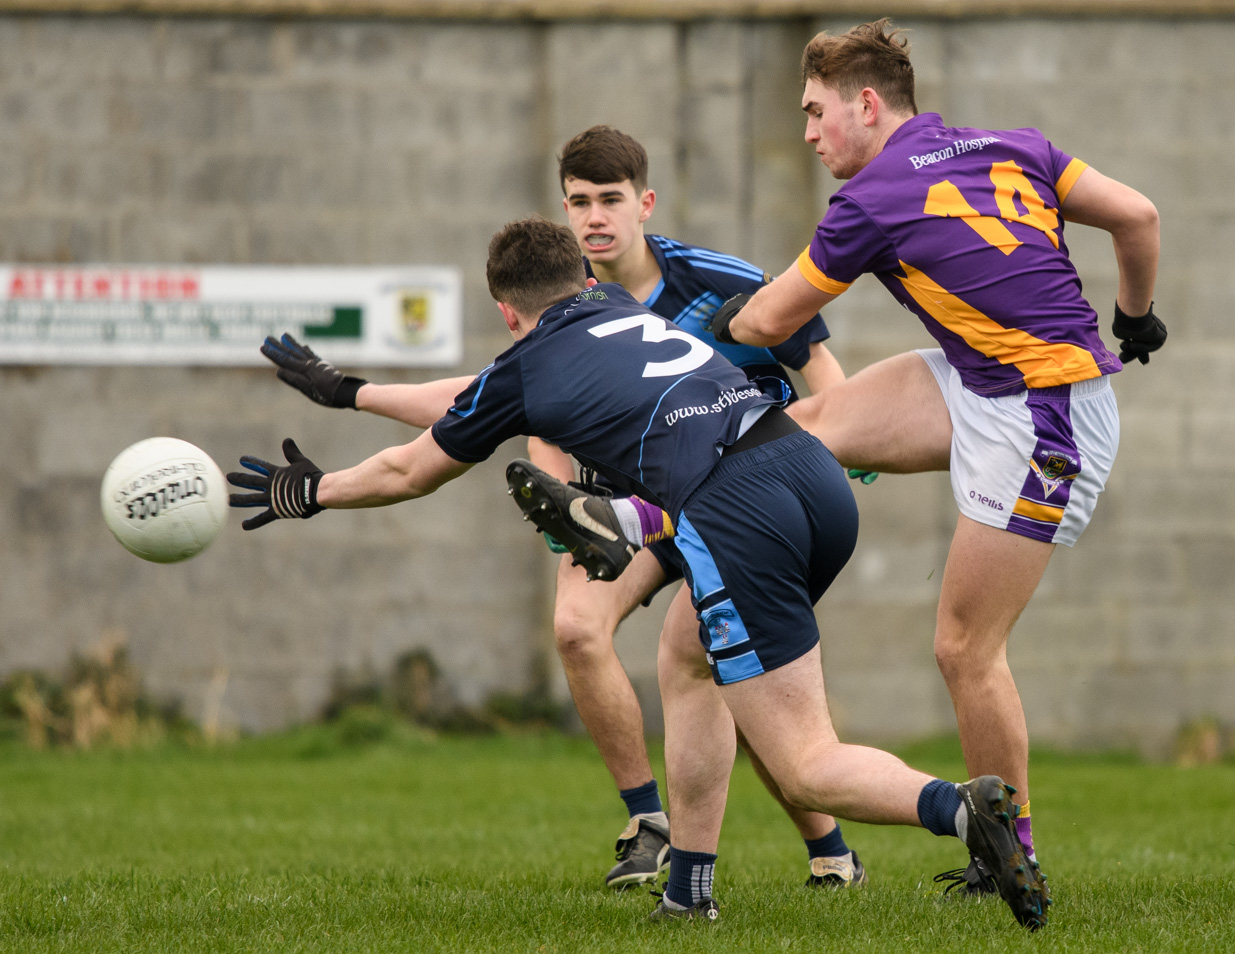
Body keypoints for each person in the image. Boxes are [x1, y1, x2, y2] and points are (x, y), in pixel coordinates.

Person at [228, 215, 1048, 929]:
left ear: (508, 314)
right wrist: (356, 392)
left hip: (734, 510)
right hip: (809, 472)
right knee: (685, 654)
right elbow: (480, 392)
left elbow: (414, 468)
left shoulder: (522, 367)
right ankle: (689, 890)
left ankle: (961, 807)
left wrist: (314, 491)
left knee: (802, 758)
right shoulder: (618, 306)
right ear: (582, 278)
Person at [519, 19, 1163, 896]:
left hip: (1044, 419)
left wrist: (709, 321)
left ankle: (1011, 849)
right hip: (983, 382)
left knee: (964, 649)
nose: (811, 134)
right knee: (808, 425)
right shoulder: (1014, 146)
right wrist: (1135, 314)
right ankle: (633, 519)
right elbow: (1137, 215)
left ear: (867, 104)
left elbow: (767, 322)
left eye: (818, 113)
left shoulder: (869, 200)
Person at [261, 125, 870, 891]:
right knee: (580, 628)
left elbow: (811, 358)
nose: (594, 217)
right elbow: (491, 398)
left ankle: (825, 848)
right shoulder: (561, 289)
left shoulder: (713, 278)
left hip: (739, 487)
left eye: (609, 199)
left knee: (725, 671)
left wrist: (846, 435)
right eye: (578, 202)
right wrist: (349, 391)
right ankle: (649, 822)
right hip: (633, 505)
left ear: (644, 203)